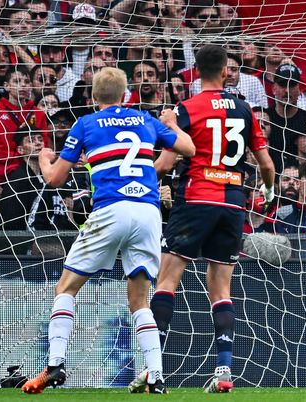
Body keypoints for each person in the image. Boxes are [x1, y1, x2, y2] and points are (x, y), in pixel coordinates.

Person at [21, 67, 195, 394]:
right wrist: (171, 124)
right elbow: (188, 149)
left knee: (66, 288)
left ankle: (55, 364)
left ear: (92, 96)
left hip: (110, 208)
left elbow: (56, 179)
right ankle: (156, 376)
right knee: (140, 299)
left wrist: (45, 159)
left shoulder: (86, 123)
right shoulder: (144, 119)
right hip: (147, 210)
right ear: (125, 95)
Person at [136, 45, 276, 394]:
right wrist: (270, 191)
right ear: (227, 70)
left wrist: (140, 182)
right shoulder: (245, 109)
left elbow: (167, 164)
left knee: (167, 281)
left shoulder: (187, 108)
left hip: (197, 196)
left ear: (195, 71)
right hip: (233, 202)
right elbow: (267, 165)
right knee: (222, 290)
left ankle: (154, 370)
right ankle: (224, 370)